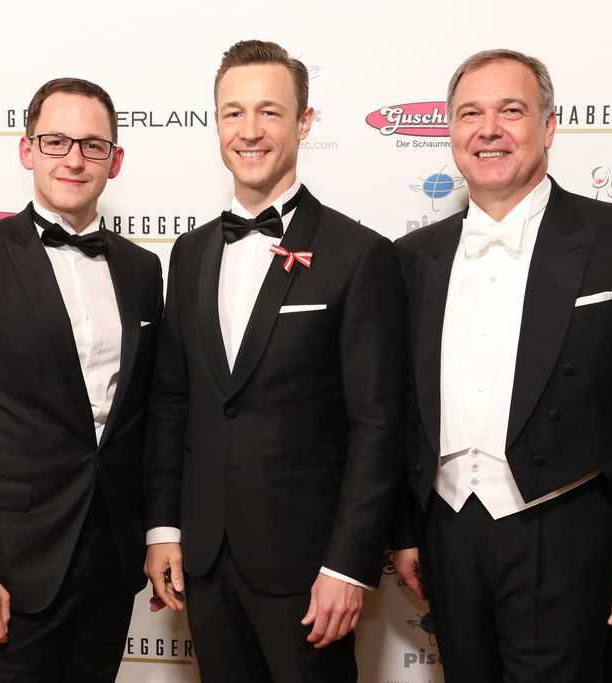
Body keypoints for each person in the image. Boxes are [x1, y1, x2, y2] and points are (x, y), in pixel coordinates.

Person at [391, 49, 612, 682]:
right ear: (450, 131)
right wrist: (402, 531)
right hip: (448, 533)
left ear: (549, 125)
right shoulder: (409, 257)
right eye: (470, 113)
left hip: (568, 534)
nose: (489, 129)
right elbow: (393, 409)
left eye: (511, 110)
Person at [143, 40, 405, 682]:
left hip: (309, 567)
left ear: (304, 122)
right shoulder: (189, 253)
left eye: (269, 112)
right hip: (205, 560)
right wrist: (163, 529)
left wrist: (348, 565)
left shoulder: (358, 253)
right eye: (233, 113)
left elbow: (378, 423)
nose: (250, 131)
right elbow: (173, 401)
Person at [0, 77, 163, 682]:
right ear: (27, 150)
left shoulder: (143, 268)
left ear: (115, 161)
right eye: (56, 141)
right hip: (9, 568)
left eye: (93, 145)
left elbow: (150, 414)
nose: (74, 159)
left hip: (111, 561)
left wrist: (157, 531)